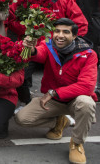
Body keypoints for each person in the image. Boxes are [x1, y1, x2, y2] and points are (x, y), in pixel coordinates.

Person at [16, 18, 97, 164]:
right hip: (54, 101)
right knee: (22, 118)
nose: (60, 35)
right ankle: (60, 121)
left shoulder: (89, 54)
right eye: (57, 31)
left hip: (74, 100)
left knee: (86, 103)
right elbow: (40, 54)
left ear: (74, 36)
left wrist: (54, 92)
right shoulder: (49, 45)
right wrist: (32, 49)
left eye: (66, 32)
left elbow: (87, 87)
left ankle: (77, 143)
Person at [7, 0, 89, 106]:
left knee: (62, 79)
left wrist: (68, 43)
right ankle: (26, 102)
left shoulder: (64, 0)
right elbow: (11, 21)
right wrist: (29, 30)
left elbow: (81, 24)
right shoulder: (22, 1)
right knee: (20, 75)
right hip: (31, 48)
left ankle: (61, 109)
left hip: (58, 49)